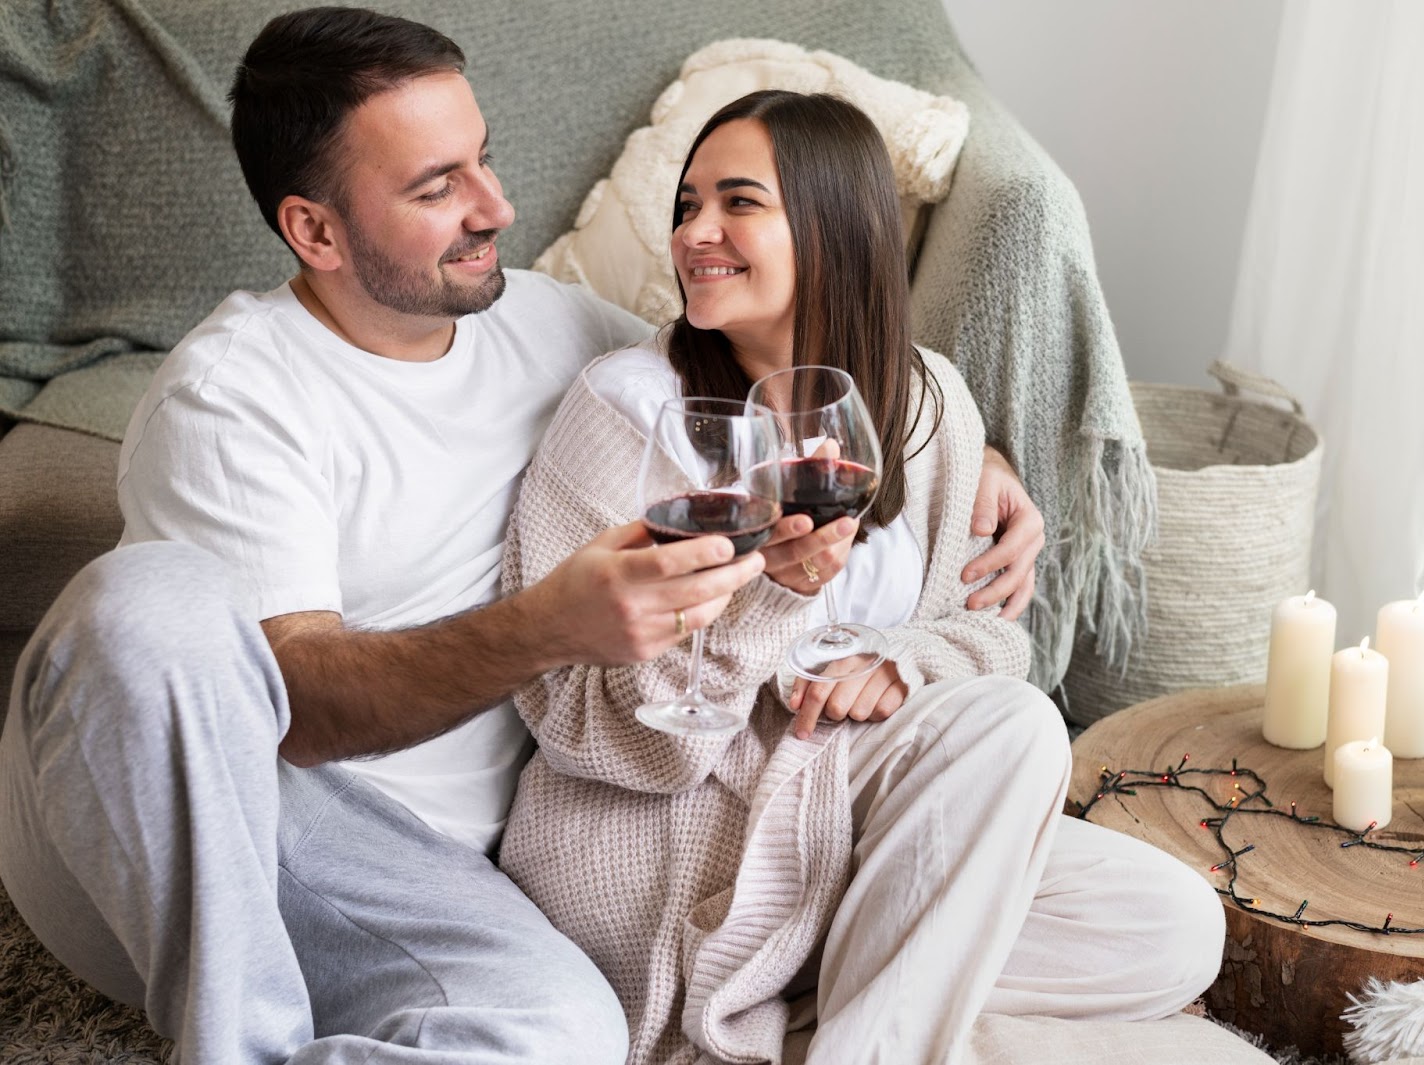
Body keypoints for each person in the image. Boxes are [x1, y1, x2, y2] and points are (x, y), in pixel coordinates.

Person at [0, 8, 1046, 1063]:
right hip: (236, 819)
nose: (495, 206)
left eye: (483, 161)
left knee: (567, 1037)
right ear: (314, 232)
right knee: (149, 602)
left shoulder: (544, 323)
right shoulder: (234, 398)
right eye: (435, 187)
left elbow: (732, 376)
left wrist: (972, 460)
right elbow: (299, 712)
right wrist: (545, 628)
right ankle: (230, 1041)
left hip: (435, 876)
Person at [497, 90, 1225, 1065]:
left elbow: (993, 641)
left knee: (1174, 928)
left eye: (736, 203)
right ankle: (876, 1029)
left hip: (862, 809)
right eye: (685, 206)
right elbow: (580, 720)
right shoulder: (634, 414)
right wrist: (771, 599)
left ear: (833, 224)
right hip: (685, 832)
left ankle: (860, 1006)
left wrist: (899, 666)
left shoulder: (929, 407)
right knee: (1014, 729)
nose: (694, 234)